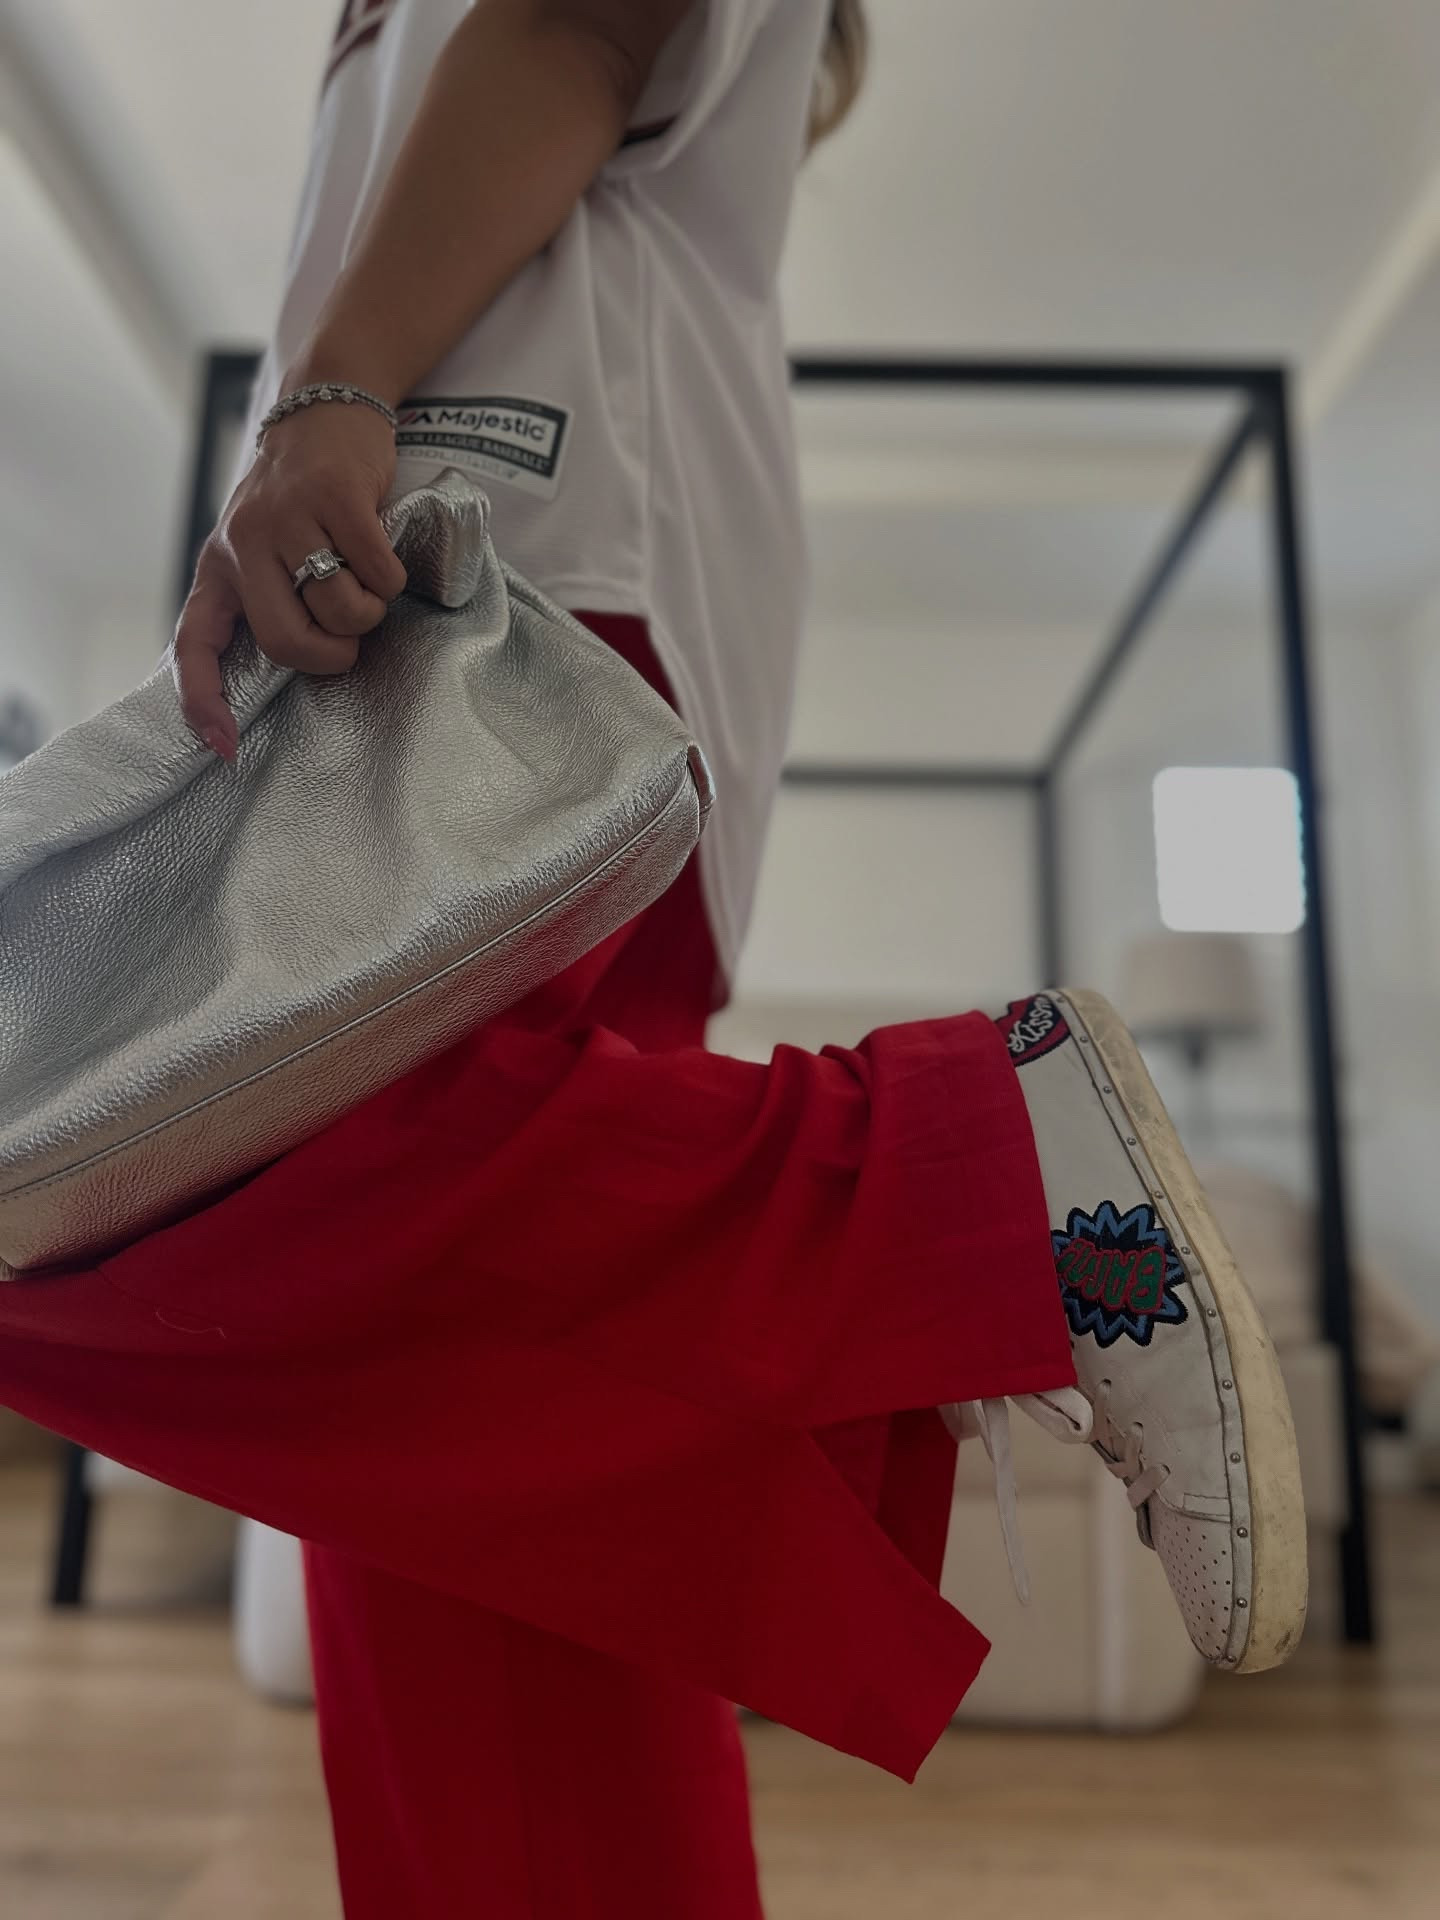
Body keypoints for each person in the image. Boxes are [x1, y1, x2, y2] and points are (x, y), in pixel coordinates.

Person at [0, 3, 1307, 1916]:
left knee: (108, 1164)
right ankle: (949, 1229)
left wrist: (330, 392)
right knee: (503, 1519)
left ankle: (976, 1187)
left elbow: (569, 17)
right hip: (517, 595)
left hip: (493, 586)